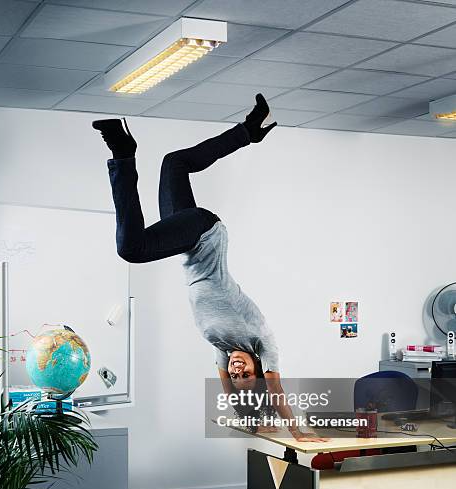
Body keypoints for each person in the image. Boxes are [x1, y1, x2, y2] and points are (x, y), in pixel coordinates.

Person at [93, 94, 325, 442]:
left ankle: (248, 131)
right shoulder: (262, 340)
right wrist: (297, 431)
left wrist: (245, 412)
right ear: (259, 368)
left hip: (190, 241)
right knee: (132, 248)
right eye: (246, 373)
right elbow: (274, 391)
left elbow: (231, 391)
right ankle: (122, 151)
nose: (237, 370)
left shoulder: (223, 346)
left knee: (174, 163)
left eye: (235, 374)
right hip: (204, 236)